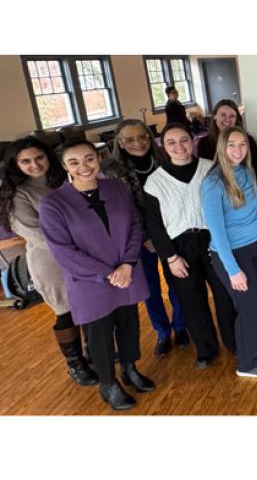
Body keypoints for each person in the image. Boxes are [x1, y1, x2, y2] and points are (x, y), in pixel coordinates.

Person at [40, 139, 154, 411]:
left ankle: (129, 368)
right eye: (75, 162)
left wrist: (127, 264)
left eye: (89, 158)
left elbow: (135, 225)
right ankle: (108, 384)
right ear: (64, 165)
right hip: (91, 282)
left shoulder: (115, 188)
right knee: (99, 334)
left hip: (126, 272)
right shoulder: (53, 203)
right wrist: (108, 274)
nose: (84, 167)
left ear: (99, 158)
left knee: (129, 324)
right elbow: (63, 251)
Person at [0, 137, 98, 386]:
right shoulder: (18, 194)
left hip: (86, 253)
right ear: (15, 165)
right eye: (26, 161)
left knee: (88, 307)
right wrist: (80, 249)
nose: (34, 164)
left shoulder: (62, 180)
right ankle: (75, 364)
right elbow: (37, 234)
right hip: (51, 261)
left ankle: (94, 353)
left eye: (39, 157)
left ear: (49, 156)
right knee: (66, 311)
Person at [142, 123, 237, 368]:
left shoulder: (210, 169)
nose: (179, 146)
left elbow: (227, 206)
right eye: (171, 142)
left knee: (225, 294)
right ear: (163, 146)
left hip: (213, 240)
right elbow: (155, 226)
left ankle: (234, 340)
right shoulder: (154, 182)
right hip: (179, 247)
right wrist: (171, 257)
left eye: (184, 140)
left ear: (193, 140)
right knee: (191, 300)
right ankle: (206, 348)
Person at [201, 126, 257, 378]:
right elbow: (217, 232)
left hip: (256, 247)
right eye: (232, 145)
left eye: (242, 144)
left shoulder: (247, 172)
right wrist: (233, 270)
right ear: (222, 149)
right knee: (246, 306)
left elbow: (254, 215)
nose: (238, 150)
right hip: (232, 255)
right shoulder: (212, 183)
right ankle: (246, 363)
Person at [102, 119, 186, 357]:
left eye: (142, 137)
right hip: (138, 239)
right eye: (129, 139)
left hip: (171, 232)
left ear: (150, 137)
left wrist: (162, 235)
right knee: (149, 289)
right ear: (119, 142)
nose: (137, 143)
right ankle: (162, 331)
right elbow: (121, 210)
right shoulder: (112, 170)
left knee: (177, 281)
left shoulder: (163, 159)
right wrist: (147, 236)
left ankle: (180, 326)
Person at [197, 99, 257, 178]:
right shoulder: (203, 143)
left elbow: (256, 170)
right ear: (214, 116)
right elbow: (203, 171)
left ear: (236, 119)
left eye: (232, 116)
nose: (227, 119)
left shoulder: (248, 140)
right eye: (223, 115)